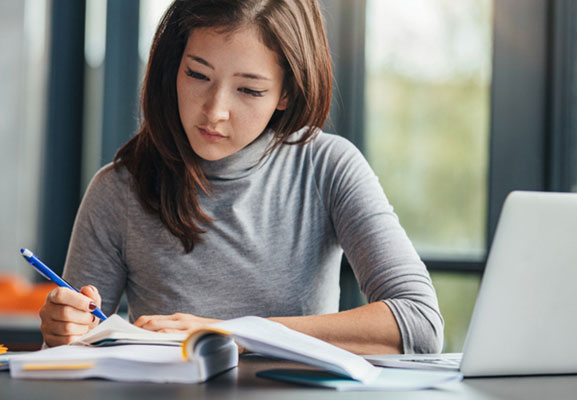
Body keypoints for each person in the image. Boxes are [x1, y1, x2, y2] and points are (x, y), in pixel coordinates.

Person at [39, 0, 443, 355]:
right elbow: (69, 358)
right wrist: (63, 333)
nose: (214, 111)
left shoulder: (327, 167)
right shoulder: (119, 190)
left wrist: (235, 334)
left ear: (286, 93)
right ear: (174, 65)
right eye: (198, 75)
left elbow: (420, 323)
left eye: (249, 91)